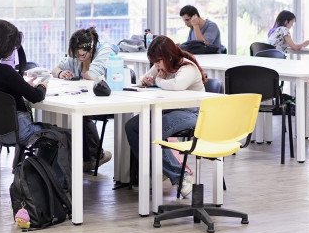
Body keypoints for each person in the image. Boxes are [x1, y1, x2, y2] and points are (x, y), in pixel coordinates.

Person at [124, 35, 205, 198]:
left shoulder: (187, 67)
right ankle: (158, 169)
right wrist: (146, 80)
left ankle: (180, 177)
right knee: (132, 127)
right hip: (170, 109)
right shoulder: (161, 64)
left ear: (168, 56)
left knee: (151, 132)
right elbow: (142, 79)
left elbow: (177, 85)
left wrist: (158, 80)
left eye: (158, 61)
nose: (156, 65)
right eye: (154, 62)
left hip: (193, 112)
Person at [0, 19, 52, 149]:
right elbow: (36, 97)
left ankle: (36, 168)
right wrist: (42, 85)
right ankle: (43, 169)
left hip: (1, 131)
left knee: (54, 133)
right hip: (22, 130)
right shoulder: (4, 70)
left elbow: (6, 85)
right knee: (66, 136)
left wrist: (22, 84)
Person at [51, 27, 115, 170]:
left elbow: (91, 76)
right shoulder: (78, 54)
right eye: (75, 55)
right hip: (85, 97)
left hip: (107, 100)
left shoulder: (104, 50)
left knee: (81, 114)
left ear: (91, 49)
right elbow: (55, 69)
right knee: (75, 112)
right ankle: (87, 157)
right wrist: (61, 73)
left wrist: (85, 65)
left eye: (81, 56)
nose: (78, 59)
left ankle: (94, 156)